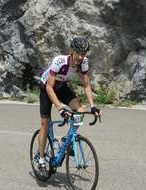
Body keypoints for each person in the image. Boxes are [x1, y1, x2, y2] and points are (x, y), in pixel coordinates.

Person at [38, 37, 101, 170]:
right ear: (71, 51)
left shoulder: (83, 63)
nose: (80, 56)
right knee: (45, 123)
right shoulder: (59, 61)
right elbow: (50, 87)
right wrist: (60, 108)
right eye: (78, 52)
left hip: (61, 87)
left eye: (83, 53)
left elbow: (87, 85)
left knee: (81, 110)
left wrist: (93, 106)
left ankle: (66, 142)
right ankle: (41, 158)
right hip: (47, 88)